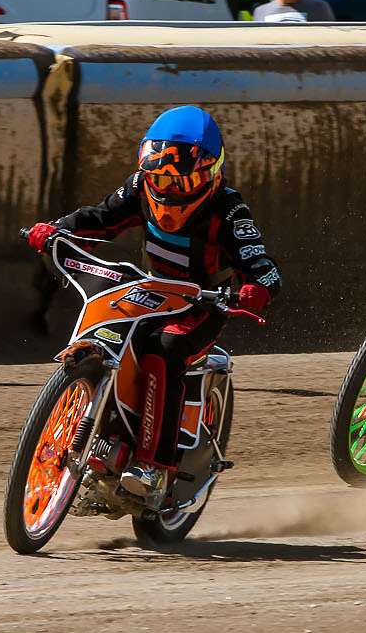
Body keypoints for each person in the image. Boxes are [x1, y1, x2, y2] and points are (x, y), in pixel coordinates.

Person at [27, 106, 280, 501]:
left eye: (180, 181)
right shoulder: (140, 187)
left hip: (203, 307)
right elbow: (100, 218)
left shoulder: (229, 211)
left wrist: (257, 289)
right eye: (159, 177)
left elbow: (261, 264)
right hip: (152, 296)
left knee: (163, 349)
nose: (167, 189)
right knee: (111, 331)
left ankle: (154, 468)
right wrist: (57, 229)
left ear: (212, 173)